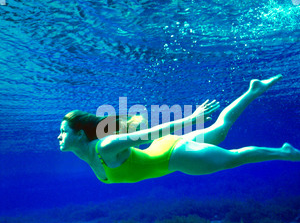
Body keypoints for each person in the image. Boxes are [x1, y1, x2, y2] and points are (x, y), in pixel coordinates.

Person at [58, 74, 300, 183]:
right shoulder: (90, 154)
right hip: (165, 149)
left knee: (234, 158)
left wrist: (192, 118)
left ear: (79, 134)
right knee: (220, 128)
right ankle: (253, 90)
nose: (59, 136)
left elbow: (149, 133)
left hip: (175, 156)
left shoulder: (106, 147)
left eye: (63, 131)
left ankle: (285, 152)